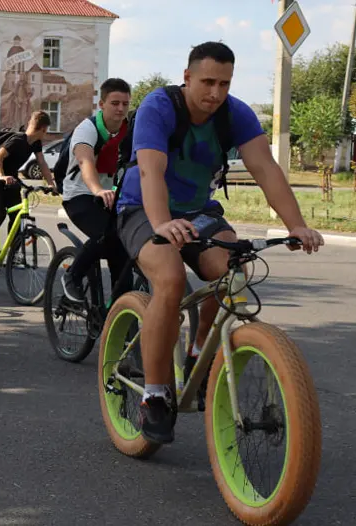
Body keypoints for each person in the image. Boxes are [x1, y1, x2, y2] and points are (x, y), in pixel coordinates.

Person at [114, 41, 324, 444]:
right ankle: (156, 394)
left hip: (198, 211)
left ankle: (199, 354)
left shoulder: (235, 114)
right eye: (207, 82)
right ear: (187, 77)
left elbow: (266, 169)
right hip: (142, 208)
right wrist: (162, 223)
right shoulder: (159, 107)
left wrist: (296, 225)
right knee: (171, 281)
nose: (215, 93)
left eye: (224, 84)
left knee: (233, 274)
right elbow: (150, 173)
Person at [60, 78, 134, 303]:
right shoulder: (88, 128)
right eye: (115, 103)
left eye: (125, 103)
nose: (121, 109)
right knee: (105, 233)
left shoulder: (129, 130)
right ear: (101, 104)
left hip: (112, 196)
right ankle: (72, 276)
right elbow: (85, 162)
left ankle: (119, 314)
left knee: (123, 252)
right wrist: (98, 190)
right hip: (80, 195)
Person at [0, 111, 58, 260]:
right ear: (44, 129)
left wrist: (51, 184)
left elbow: (42, 163)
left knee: (17, 215)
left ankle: (13, 252)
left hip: (11, 178)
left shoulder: (35, 142)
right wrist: (2, 176)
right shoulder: (18, 139)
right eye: (46, 130)